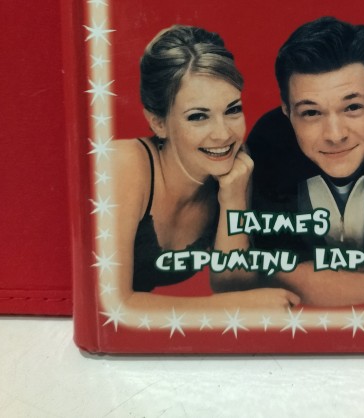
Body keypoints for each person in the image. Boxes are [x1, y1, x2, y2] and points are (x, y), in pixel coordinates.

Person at [109, 24, 299, 315]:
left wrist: (233, 198)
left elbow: (232, 288)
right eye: (198, 117)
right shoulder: (124, 165)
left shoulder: (236, 168)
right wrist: (228, 306)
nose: (223, 135)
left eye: (232, 110)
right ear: (158, 122)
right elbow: (110, 303)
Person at [248, 16, 364, 307]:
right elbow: (278, 274)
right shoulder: (267, 142)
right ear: (287, 110)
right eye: (311, 113)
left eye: (352, 107)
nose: (335, 135)